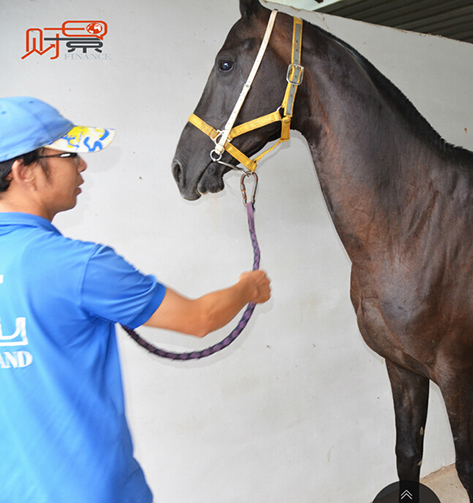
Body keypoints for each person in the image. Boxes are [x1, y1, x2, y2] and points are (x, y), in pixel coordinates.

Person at [0, 96, 271, 503]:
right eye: (69, 154)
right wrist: (248, 288)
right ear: (25, 171)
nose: (83, 165)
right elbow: (200, 319)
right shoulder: (80, 267)